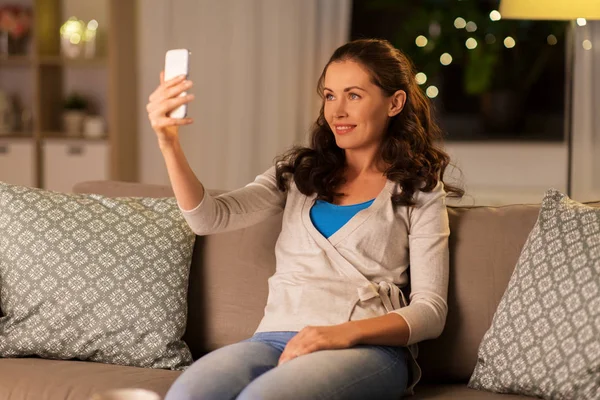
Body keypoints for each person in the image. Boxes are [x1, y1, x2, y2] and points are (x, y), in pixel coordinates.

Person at [146, 38, 464, 400]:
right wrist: (168, 142)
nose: (337, 111)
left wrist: (340, 333)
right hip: (274, 339)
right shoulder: (299, 173)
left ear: (394, 102)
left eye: (354, 95)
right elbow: (209, 218)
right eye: (330, 96)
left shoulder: (418, 188)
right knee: (188, 394)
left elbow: (431, 311)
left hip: (366, 350)